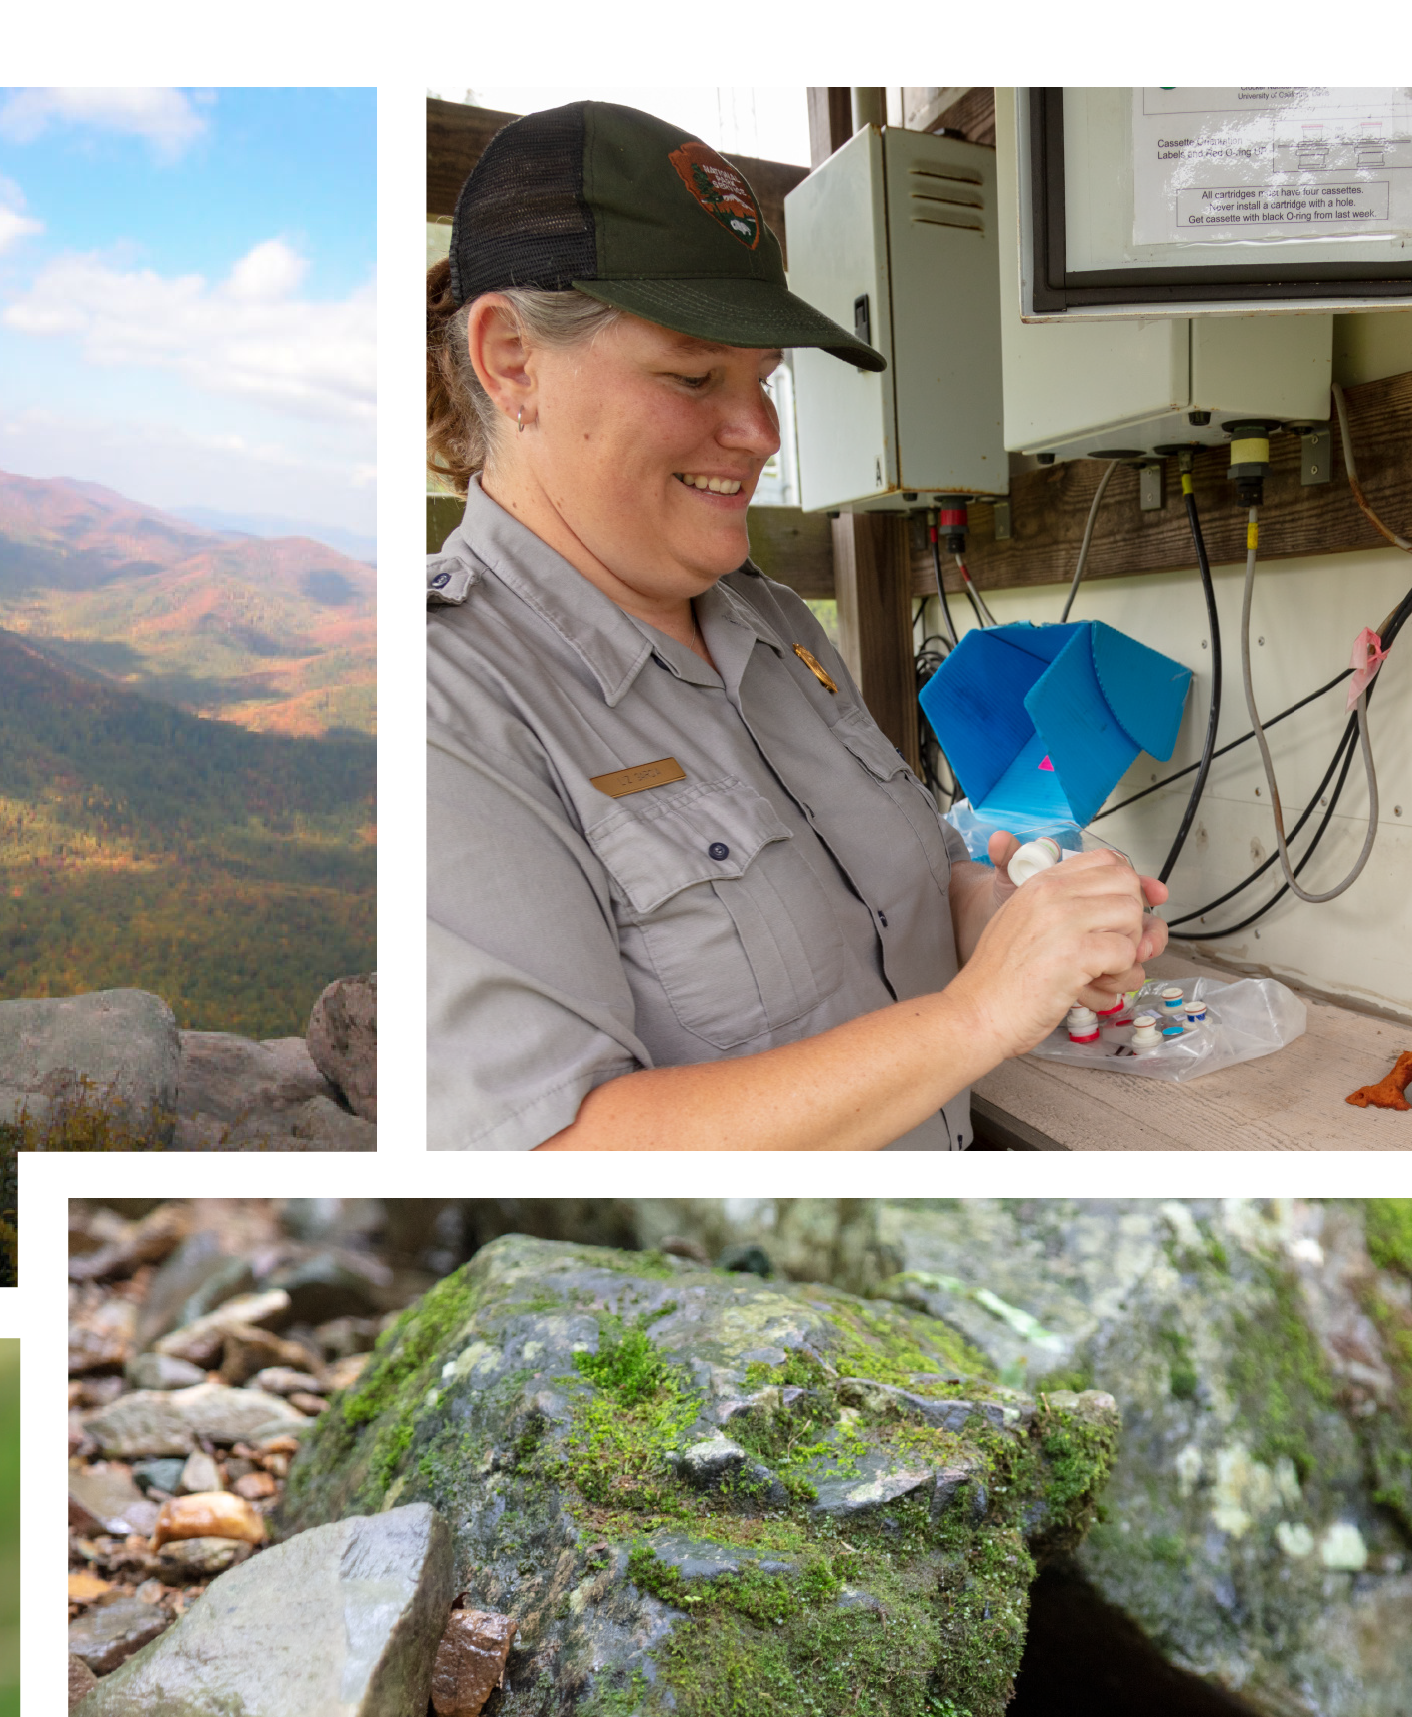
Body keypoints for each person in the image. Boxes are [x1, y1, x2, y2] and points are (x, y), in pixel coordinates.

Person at [428, 101, 1170, 1149]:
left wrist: (1000, 923)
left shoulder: (775, 625)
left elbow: (882, 911)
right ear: (510, 360)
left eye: (763, 380)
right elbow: (560, 1147)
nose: (758, 433)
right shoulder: (446, 701)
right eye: (693, 376)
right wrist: (978, 1014)